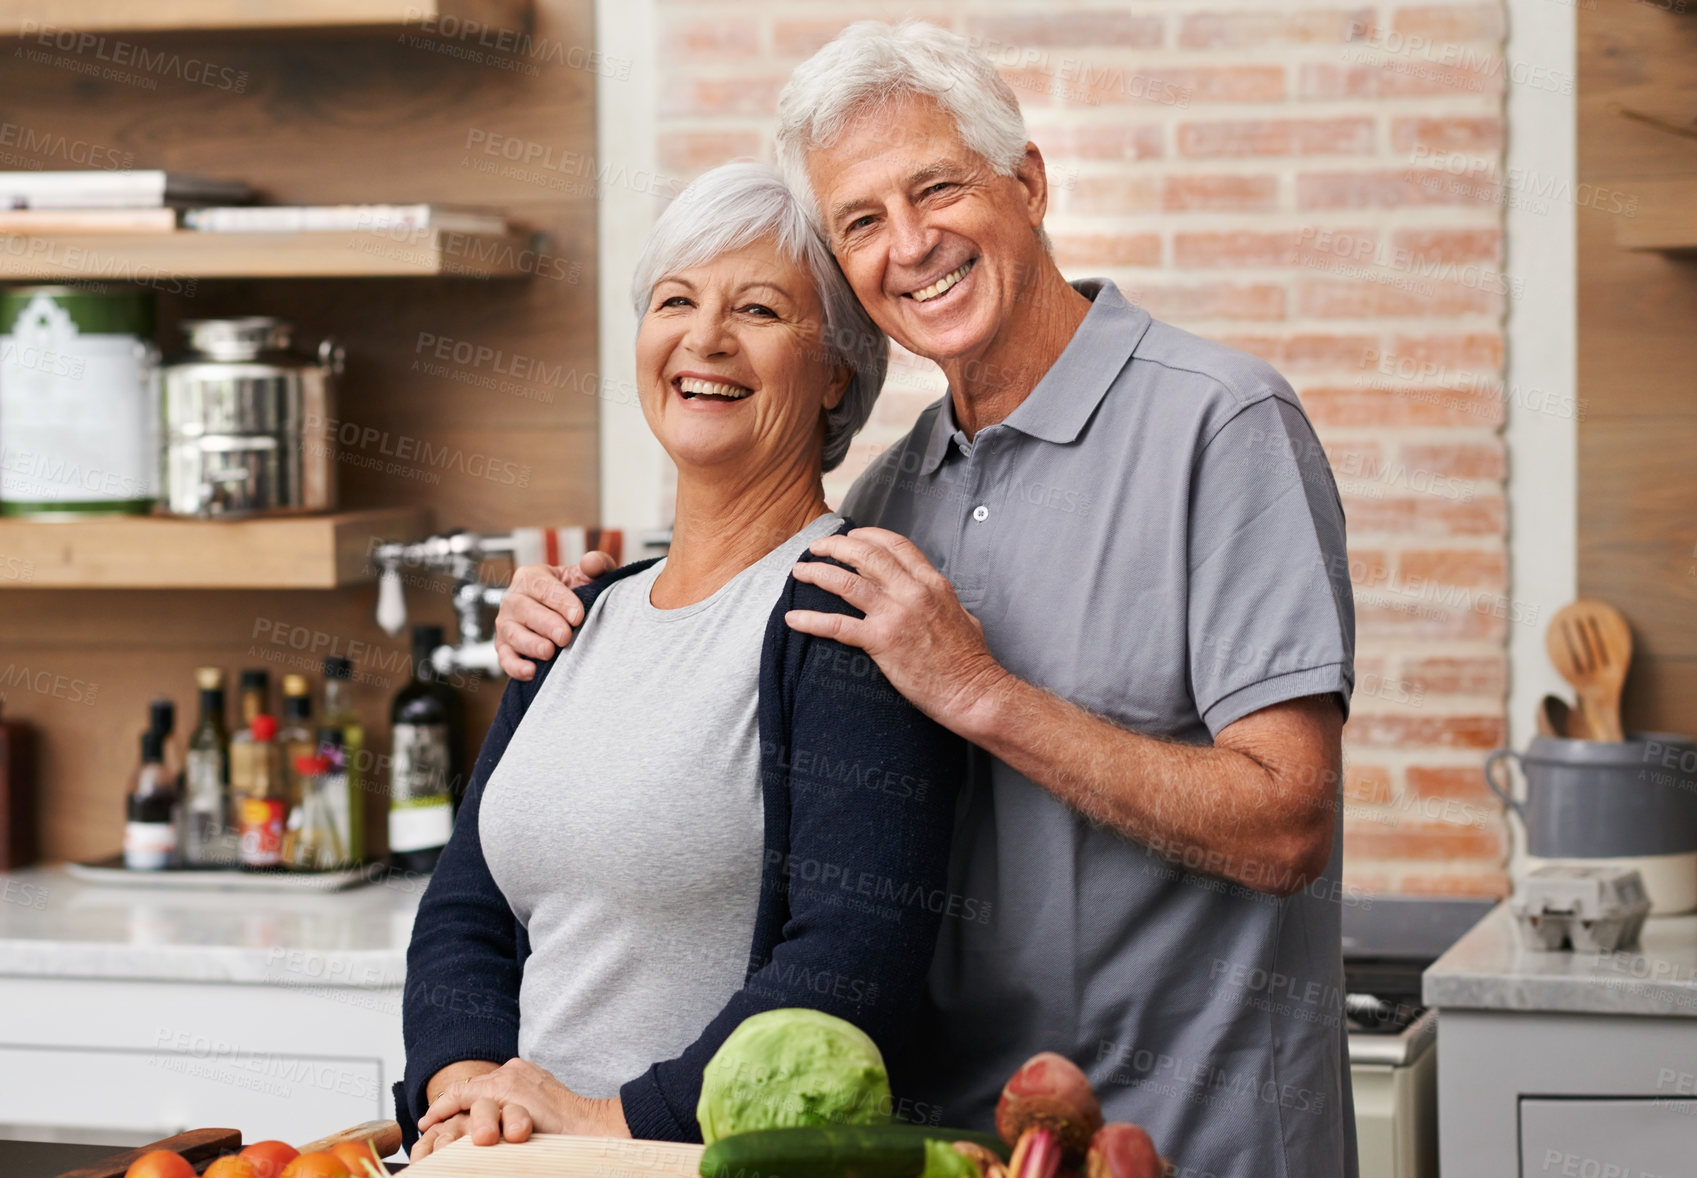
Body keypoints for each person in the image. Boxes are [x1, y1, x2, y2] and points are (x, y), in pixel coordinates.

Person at [494, 22, 1358, 1178]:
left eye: (935, 188)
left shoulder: (1219, 426)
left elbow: (1285, 821)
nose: (909, 245)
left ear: (1029, 184)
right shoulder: (893, 496)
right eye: (859, 221)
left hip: (1189, 1144)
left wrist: (982, 693)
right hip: (955, 1149)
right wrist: (581, 610)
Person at [398, 162, 966, 1158]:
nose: (703, 338)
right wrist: (468, 1087)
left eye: (756, 308)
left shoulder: (844, 617)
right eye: (675, 300)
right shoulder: (576, 611)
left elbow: (847, 968)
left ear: (834, 367)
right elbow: (465, 906)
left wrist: (607, 1120)